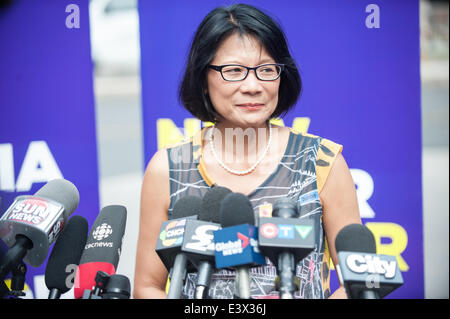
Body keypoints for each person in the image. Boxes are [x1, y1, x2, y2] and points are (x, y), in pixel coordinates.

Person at [134, 3, 361, 299]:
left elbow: (357, 281)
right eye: (234, 71)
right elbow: (147, 287)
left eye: (266, 70)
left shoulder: (321, 162)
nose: (252, 86)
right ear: (204, 79)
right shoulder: (168, 168)